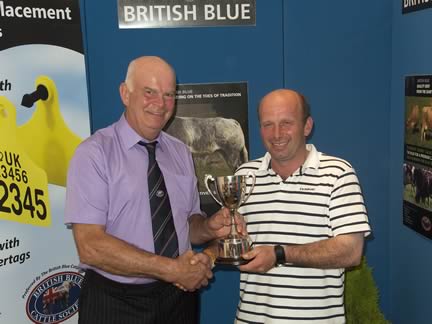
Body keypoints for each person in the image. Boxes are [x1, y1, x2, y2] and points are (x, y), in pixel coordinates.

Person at [64, 56, 239, 324]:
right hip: (116, 303)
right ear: (125, 93)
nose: (160, 104)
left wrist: (208, 228)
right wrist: (173, 270)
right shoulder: (93, 154)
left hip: (179, 299)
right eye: (150, 92)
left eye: (169, 95)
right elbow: (90, 246)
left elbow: (189, 222)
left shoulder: (180, 151)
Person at [233, 89, 371, 323]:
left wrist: (279, 253)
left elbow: (351, 251)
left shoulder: (338, 173)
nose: (276, 134)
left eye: (286, 123)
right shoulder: (244, 176)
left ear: (307, 126)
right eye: (268, 124)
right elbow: (233, 243)